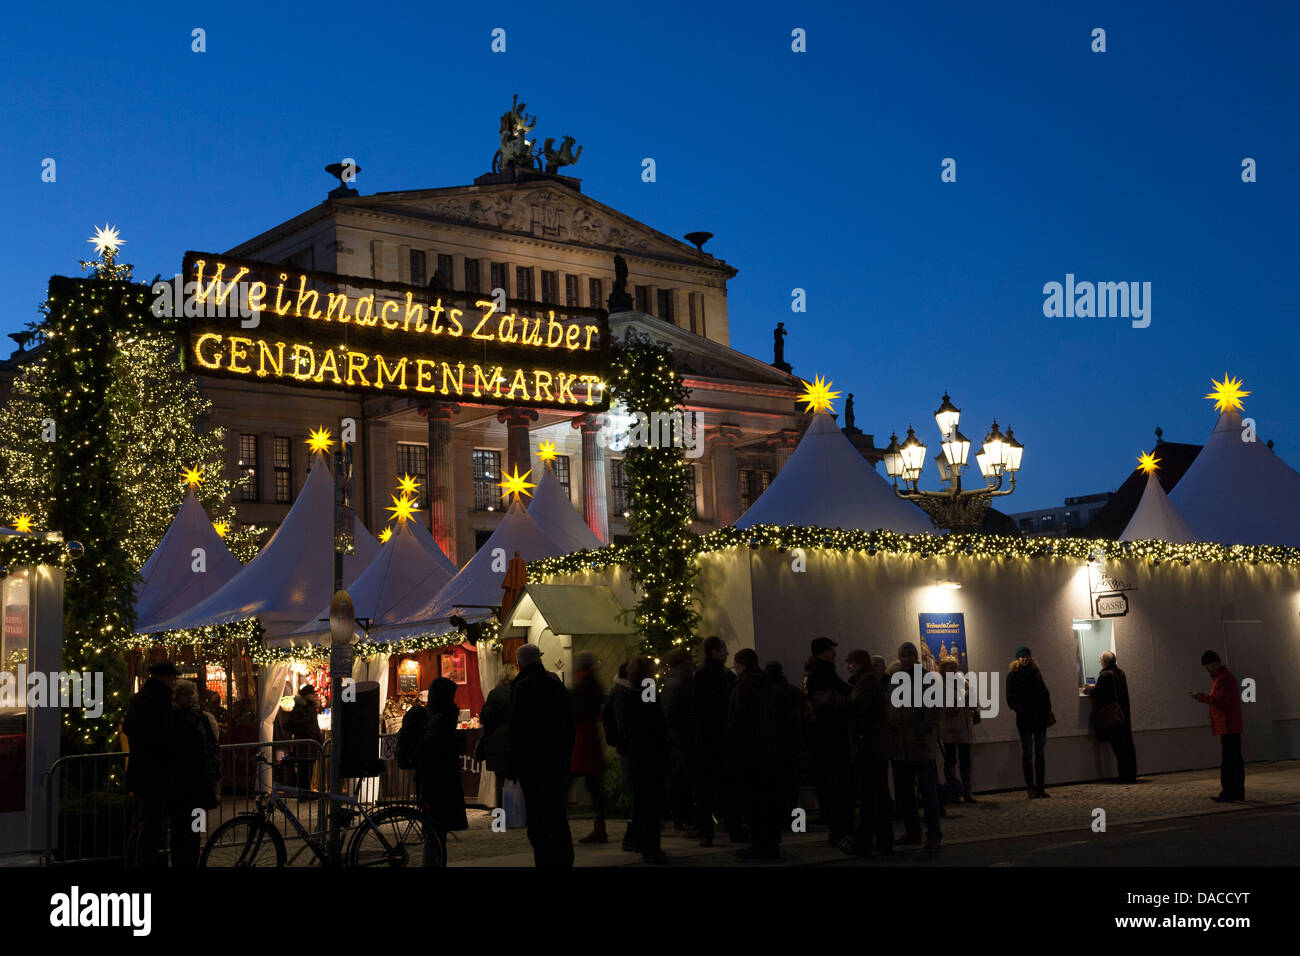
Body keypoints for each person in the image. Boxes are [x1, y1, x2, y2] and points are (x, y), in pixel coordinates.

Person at [507, 643, 575, 867]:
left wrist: (514, 764)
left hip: (532, 762)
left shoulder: (522, 687)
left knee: (538, 815)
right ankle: (564, 859)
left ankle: (545, 860)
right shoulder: (554, 683)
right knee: (557, 812)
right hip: (556, 760)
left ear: (520, 662)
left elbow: (517, 730)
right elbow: (568, 724)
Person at [728, 649, 795, 860]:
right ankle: (771, 842)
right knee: (768, 800)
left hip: (751, 753)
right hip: (770, 752)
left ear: (742, 666)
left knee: (755, 802)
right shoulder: (770, 686)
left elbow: (737, 723)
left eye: (736, 665)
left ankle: (759, 844)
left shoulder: (743, 688)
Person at [123, 660, 179, 867]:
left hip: (141, 771)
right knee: (151, 826)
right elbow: (164, 737)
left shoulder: (140, 698)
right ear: (162, 677)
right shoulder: (159, 700)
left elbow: (128, 728)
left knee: (141, 823)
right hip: (155, 773)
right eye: (172, 676)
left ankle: (135, 861)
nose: (175, 680)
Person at [889, 643, 942, 849]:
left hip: (920, 745)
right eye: (904, 655)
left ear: (916, 657)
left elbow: (935, 708)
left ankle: (934, 833)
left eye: (910, 655)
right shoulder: (895, 679)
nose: (907, 659)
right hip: (902, 746)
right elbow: (892, 706)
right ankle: (913, 832)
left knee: (928, 793)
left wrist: (922, 730)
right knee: (905, 794)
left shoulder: (926, 678)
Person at [844, 647, 893, 856]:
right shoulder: (867, 682)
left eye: (851, 662)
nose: (848, 666)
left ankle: (865, 841)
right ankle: (883, 841)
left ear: (859, 663)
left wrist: (838, 702)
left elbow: (856, 707)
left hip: (869, 748)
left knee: (869, 797)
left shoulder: (866, 682)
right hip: (875, 748)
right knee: (877, 797)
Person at [621, 655, 670, 864]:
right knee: (651, 804)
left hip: (637, 754)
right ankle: (651, 847)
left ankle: (640, 842)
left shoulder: (628, 694)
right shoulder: (648, 690)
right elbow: (655, 720)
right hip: (650, 754)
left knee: (642, 802)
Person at [167, 679, 220, 867]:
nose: (189, 697)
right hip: (181, 782)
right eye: (185, 694)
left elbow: (212, 745)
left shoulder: (201, 717)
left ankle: (192, 859)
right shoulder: (171, 718)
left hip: (199, 781)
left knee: (196, 827)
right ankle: (181, 861)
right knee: (179, 827)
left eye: (191, 694)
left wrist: (213, 769)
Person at [805, 637, 852, 842]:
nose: (835, 653)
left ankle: (834, 825)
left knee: (828, 782)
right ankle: (839, 829)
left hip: (821, 735)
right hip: (831, 734)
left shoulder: (813, 671)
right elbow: (840, 691)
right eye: (831, 649)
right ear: (822, 652)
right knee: (837, 782)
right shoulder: (824, 672)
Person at [693, 635, 738, 846]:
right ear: (714, 651)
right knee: (726, 786)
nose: (727, 653)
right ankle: (733, 829)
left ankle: (706, 831)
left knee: (706, 788)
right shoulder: (724, 676)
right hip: (720, 737)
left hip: (706, 739)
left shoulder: (702, 675)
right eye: (723, 649)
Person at [417, 677, 469, 832]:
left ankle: (435, 853)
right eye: (452, 696)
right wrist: (459, 738)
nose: (454, 700)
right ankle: (436, 855)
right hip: (440, 777)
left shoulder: (431, 715)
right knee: (437, 827)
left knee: (435, 826)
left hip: (431, 777)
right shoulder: (440, 719)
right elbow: (445, 745)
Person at [1194, 650, 1245, 802]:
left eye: (1208, 666)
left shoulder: (1224, 679)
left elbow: (1221, 701)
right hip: (1229, 724)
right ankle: (1237, 791)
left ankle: (1228, 792)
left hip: (1228, 724)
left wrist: (1202, 697)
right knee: (1234, 759)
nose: (1207, 670)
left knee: (1229, 759)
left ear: (1215, 663)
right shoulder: (1222, 678)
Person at [568, 653, 608, 844]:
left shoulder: (581, 686)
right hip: (590, 735)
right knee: (593, 785)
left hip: (581, 736)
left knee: (569, 779)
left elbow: (574, 711)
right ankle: (600, 826)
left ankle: (556, 823)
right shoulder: (594, 685)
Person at [1006, 646, 1052, 798]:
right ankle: (1030, 787)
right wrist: (1021, 709)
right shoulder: (1013, 676)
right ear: (1018, 658)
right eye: (1022, 656)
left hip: (1039, 718)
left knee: (1040, 753)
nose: (1025, 658)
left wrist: (1046, 711)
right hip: (1025, 719)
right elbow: (1010, 699)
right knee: (1028, 753)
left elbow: (1045, 694)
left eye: (1027, 656)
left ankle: (1040, 787)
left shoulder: (1036, 673)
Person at [764, 661, 807, 825]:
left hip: (774, 743)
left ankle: (780, 816)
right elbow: (805, 714)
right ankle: (794, 819)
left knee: (777, 782)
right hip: (794, 741)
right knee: (792, 783)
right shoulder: (795, 692)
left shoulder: (768, 694)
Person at [1086, 651, 1137, 783]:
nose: (1100, 663)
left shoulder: (1104, 675)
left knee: (1118, 748)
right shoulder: (1121, 673)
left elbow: (1098, 693)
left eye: (1100, 661)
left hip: (1113, 716)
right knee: (1127, 747)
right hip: (1123, 714)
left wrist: (1088, 689)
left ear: (1105, 662)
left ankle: (1124, 777)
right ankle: (1130, 775)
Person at [661, 647, 697, 833]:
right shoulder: (683, 683)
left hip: (675, 737)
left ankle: (679, 816)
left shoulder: (670, 682)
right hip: (683, 737)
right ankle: (684, 816)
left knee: (678, 778)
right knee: (684, 777)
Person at [604, 663, 637, 850]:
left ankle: (634, 836)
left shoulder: (621, 692)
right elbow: (624, 723)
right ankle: (632, 838)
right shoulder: (623, 694)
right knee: (636, 793)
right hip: (631, 750)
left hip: (628, 749)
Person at [938, 656, 978, 803]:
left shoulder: (964, 683)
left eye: (955, 667)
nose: (954, 670)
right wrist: (961, 699)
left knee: (965, 760)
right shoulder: (940, 685)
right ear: (943, 670)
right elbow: (944, 707)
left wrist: (970, 700)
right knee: (950, 760)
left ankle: (967, 791)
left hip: (964, 727)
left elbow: (973, 702)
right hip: (949, 728)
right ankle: (954, 792)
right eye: (950, 668)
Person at [476, 666, 516, 807]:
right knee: (517, 780)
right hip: (516, 741)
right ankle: (519, 814)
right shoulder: (518, 691)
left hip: (497, 742)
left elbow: (484, 716)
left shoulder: (495, 694)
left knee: (500, 782)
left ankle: (502, 817)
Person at [283, 684, 323, 791]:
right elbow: (292, 724)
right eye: (312, 693)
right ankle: (302, 793)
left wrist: (320, 740)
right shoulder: (299, 708)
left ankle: (307, 792)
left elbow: (315, 725)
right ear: (306, 695)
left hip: (311, 742)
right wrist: (306, 722)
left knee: (309, 768)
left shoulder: (311, 707)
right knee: (303, 769)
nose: (314, 695)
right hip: (303, 743)